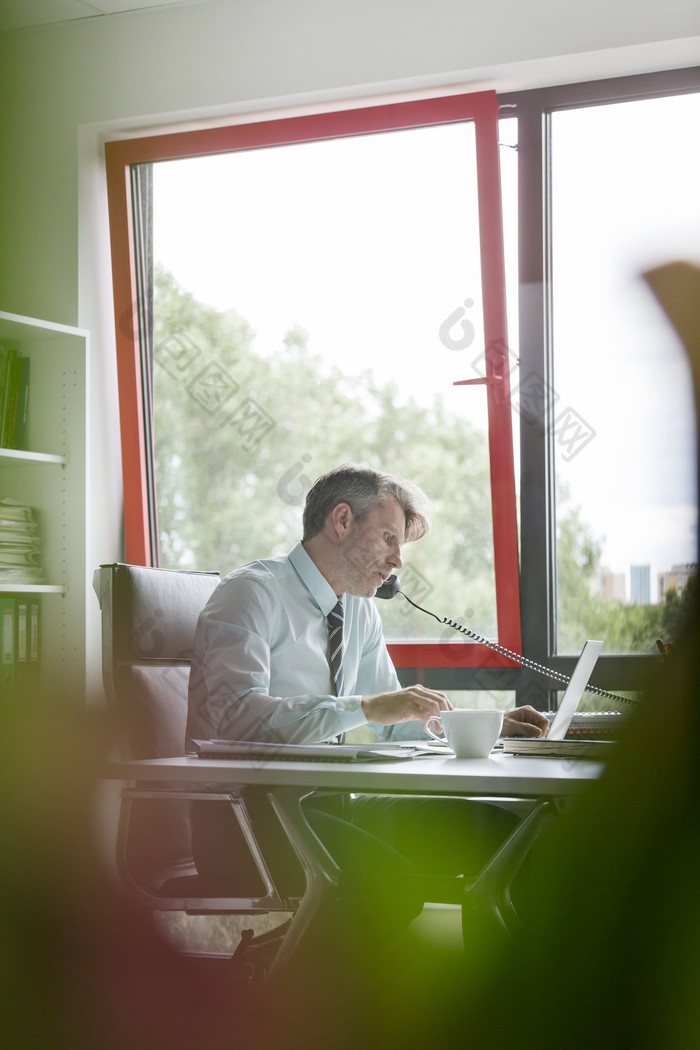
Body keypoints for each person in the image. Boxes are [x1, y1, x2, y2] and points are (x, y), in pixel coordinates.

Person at [186, 464, 549, 959]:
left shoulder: (359, 609)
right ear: (341, 521)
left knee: (507, 836)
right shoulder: (250, 595)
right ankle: (272, 982)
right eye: (387, 539)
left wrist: (483, 725)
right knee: (393, 886)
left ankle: (527, 1009)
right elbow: (236, 719)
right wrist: (363, 707)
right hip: (251, 816)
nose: (398, 560)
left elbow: (394, 724)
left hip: (329, 804)